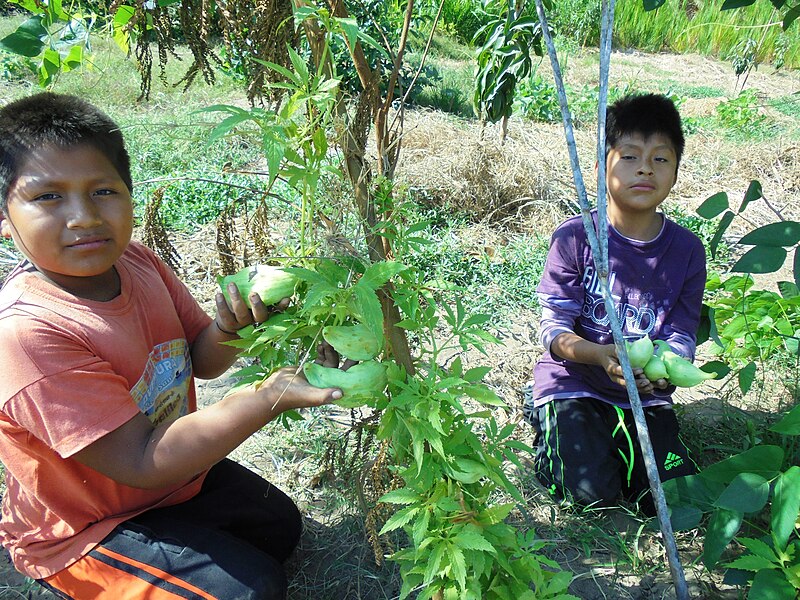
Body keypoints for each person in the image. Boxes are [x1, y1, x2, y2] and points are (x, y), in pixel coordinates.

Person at [0, 92, 344, 599]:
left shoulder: (138, 262)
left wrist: (234, 326)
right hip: (87, 527)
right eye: (48, 196)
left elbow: (201, 361)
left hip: (167, 482)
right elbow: (141, 461)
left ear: (130, 193)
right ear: (4, 219)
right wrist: (267, 397)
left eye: (104, 191)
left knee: (279, 528)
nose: (84, 217)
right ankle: (63, 576)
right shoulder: (28, 335)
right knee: (250, 591)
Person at [522, 93, 704, 516]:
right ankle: (550, 422)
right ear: (603, 166)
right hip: (575, 382)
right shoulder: (574, 238)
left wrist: (660, 375)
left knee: (669, 498)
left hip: (644, 395)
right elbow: (551, 329)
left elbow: (680, 332)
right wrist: (600, 356)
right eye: (630, 156)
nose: (645, 168)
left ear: (676, 171)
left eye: (661, 158)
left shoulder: (687, 251)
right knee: (590, 494)